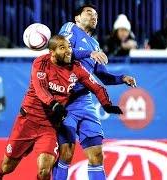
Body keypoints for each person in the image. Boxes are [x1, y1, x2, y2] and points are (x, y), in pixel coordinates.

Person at [0, 35, 123, 180]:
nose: (68, 51)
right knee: (7, 166)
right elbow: (41, 90)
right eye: (62, 48)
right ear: (51, 52)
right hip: (28, 121)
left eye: (69, 47)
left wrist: (107, 105)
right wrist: (54, 104)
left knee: (44, 170)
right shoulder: (41, 62)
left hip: (49, 126)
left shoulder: (76, 68)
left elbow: (96, 86)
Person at [53, 4, 137, 180]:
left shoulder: (95, 45)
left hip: (85, 101)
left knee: (97, 154)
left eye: (96, 15)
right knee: (66, 153)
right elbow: (64, 53)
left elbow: (103, 76)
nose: (94, 17)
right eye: (89, 13)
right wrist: (89, 53)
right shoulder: (70, 28)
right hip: (64, 100)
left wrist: (121, 78)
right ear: (77, 17)